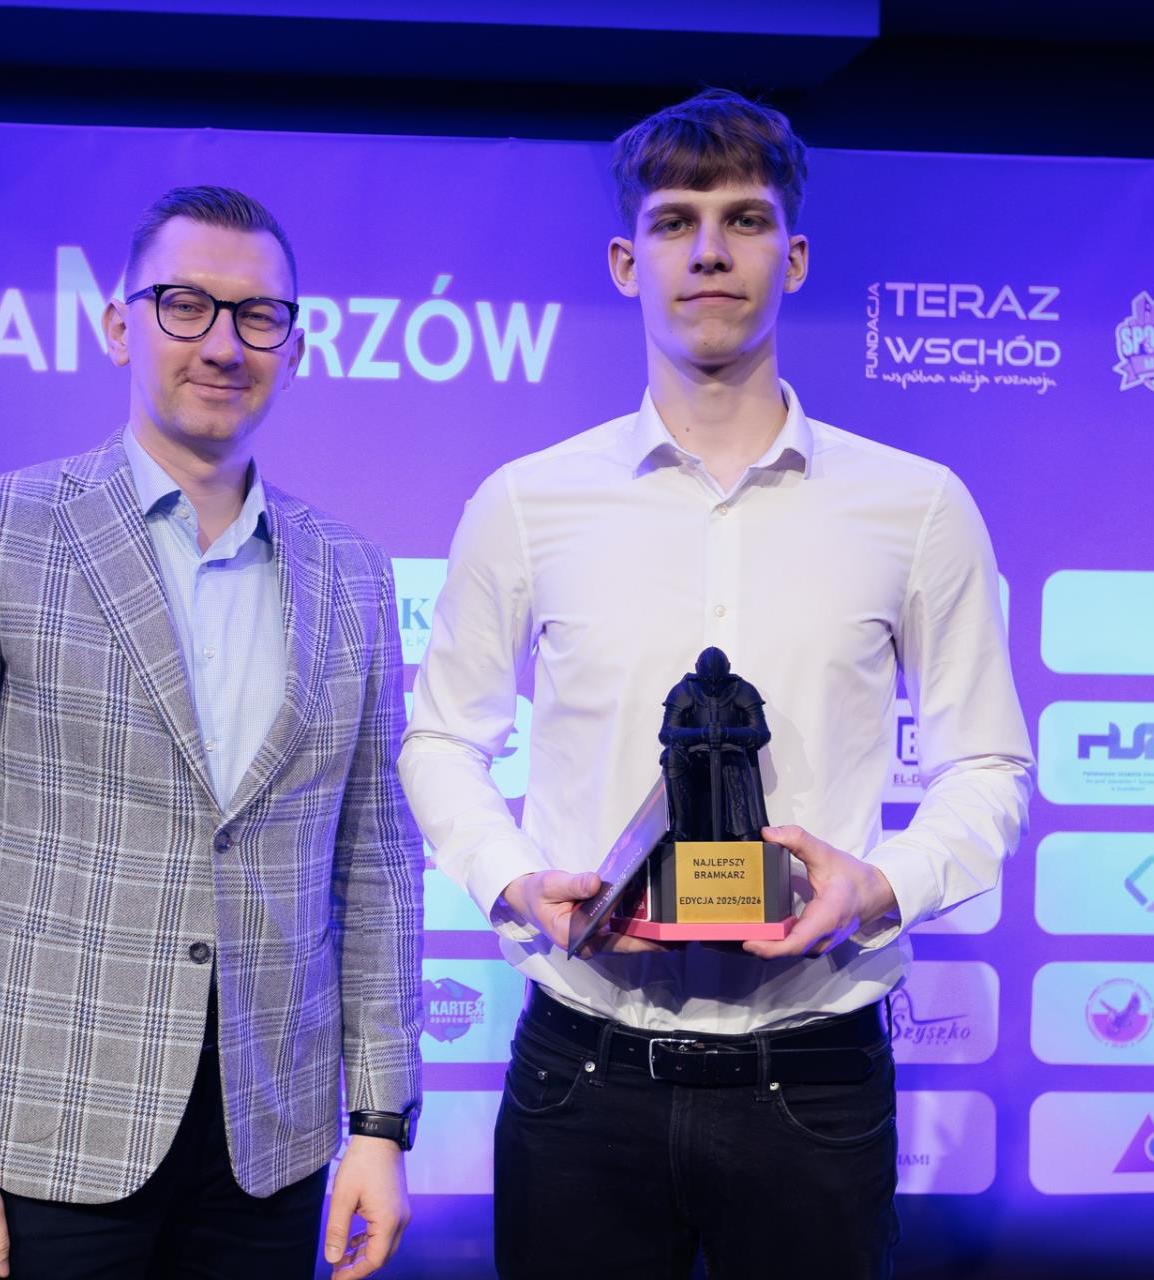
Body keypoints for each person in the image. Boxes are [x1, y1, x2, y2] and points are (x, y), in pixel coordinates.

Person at [399, 90, 1033, 1279]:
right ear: (625, 260)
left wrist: (881, 883)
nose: (708, 251)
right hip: (583, 1071)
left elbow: (988, 764)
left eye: (743, 219)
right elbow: (440, 740)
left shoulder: (916, 505)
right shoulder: (527, 501)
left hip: (816, 1075)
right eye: (675, 221)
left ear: (793, 257)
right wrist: (511, 876)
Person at [0, 185, 422, 1280]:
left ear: (295, 345)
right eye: (185, 305)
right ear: (120, 326)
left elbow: (378, 868)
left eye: (258, 315)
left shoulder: (352, 570)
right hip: (43, 1136)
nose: (224, 343)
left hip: (274, 1146)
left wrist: (381, 1122)